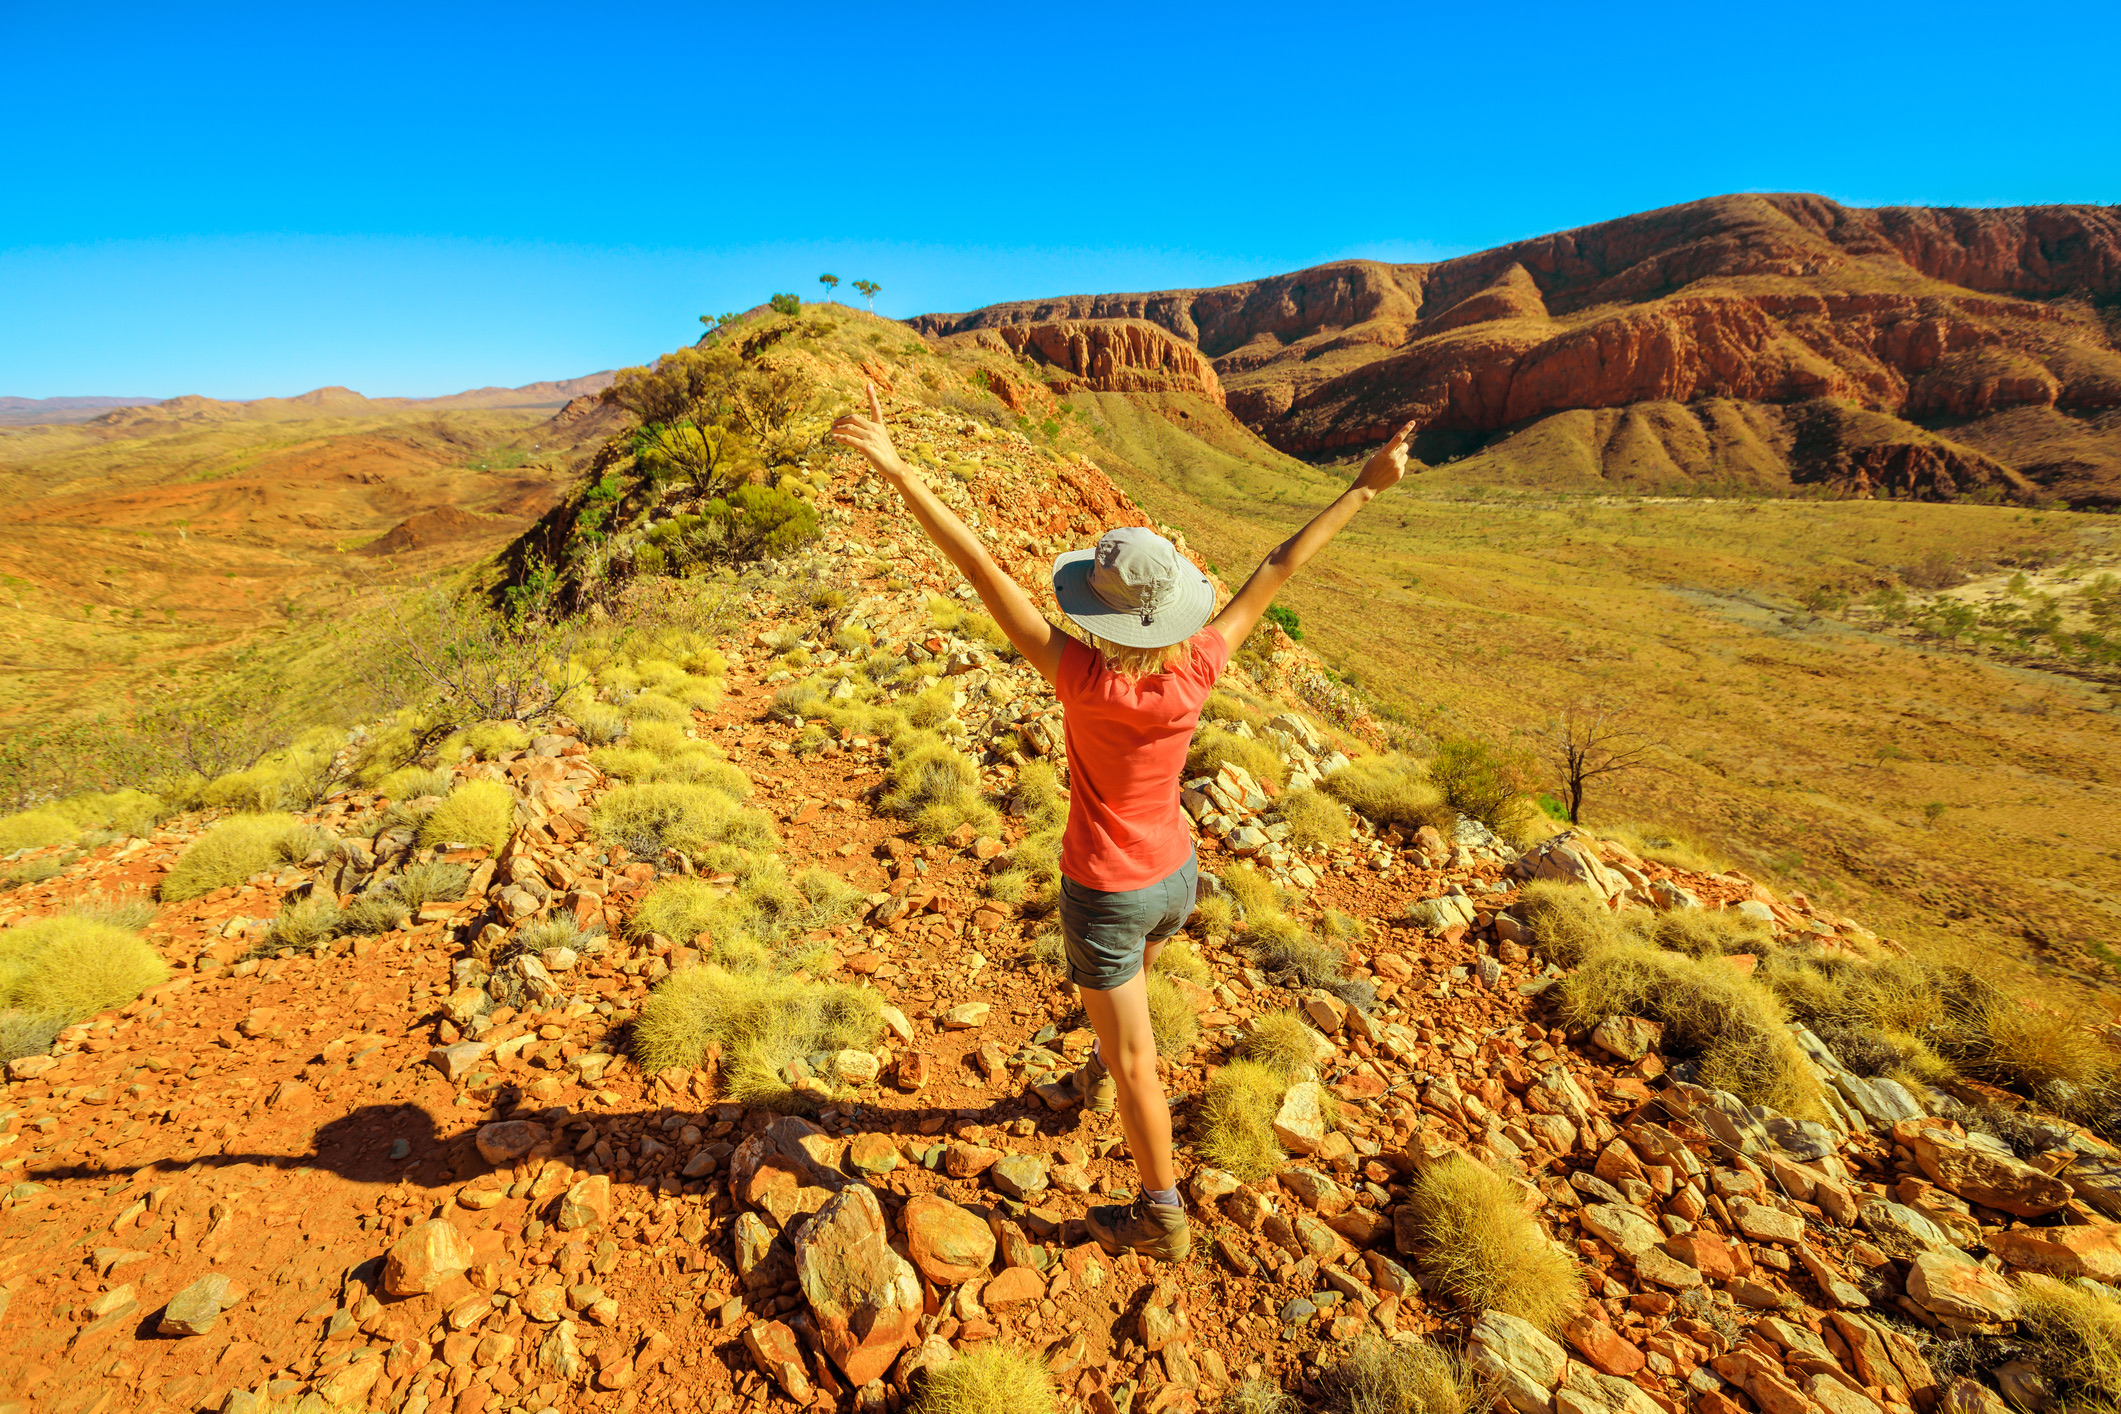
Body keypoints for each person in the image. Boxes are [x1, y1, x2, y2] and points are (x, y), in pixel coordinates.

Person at [831, 385, 1413, 1262]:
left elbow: (979, 568)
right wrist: (1368, 485)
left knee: (1139, 1064)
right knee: (1123, 1027)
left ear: (1096, 612)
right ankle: (1099, 1065)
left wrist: (899, 470)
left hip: (1105, 890)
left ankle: (1159, 1212)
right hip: (1177, 878)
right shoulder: (1201, 665)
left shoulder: (1078, 676)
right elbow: (1278, 565)